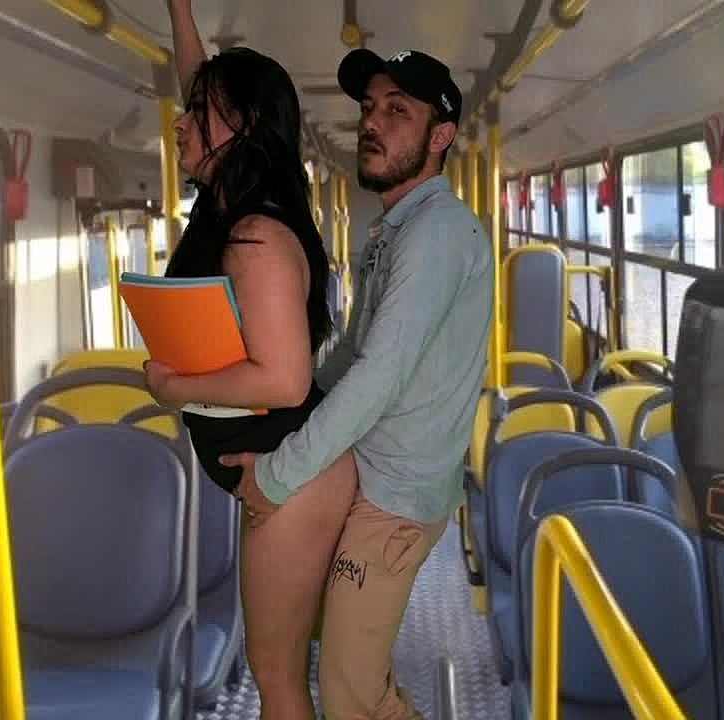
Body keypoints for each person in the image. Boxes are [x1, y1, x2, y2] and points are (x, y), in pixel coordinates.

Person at [219, 47, 494, 719]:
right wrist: (290, 411)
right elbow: (353, 353)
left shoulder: (436, 233)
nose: (372, 122)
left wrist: (278, 475)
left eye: (398, 111)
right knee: (350, 674)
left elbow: (379, 375)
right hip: (369, 474)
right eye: (370, 108)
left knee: (351, 698)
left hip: (395, 500)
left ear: (440, 136)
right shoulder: (395, 230)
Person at [143, 2, 359, 718]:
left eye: (198, 114)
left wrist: (175, 388)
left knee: (279, 676)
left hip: (296, 478)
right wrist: (179, 9)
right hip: (281, 470)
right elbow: (194, 77)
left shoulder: (256, 236)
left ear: (243, 128)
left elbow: (285, 379)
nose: (179, 123)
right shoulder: (227, 204)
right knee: (280, 673)